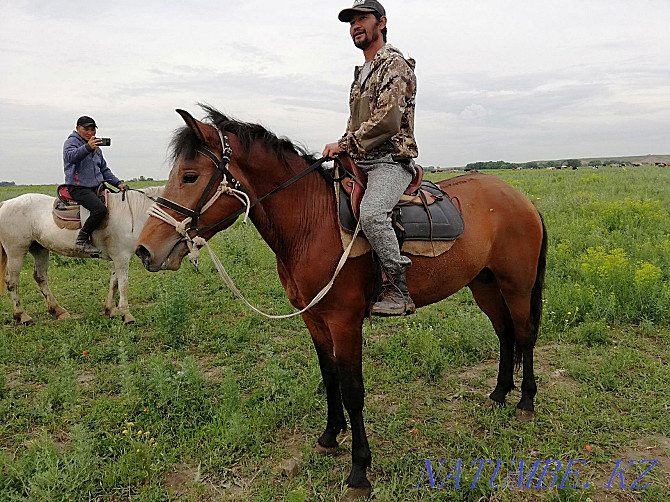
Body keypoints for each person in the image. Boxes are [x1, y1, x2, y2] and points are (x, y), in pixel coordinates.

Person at [323, 0, 418, 316]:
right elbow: (356, 123)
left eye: (363, 18)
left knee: (373, 213)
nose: (356, 25)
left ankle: (397, 288)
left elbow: (387, 121)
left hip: (390, 161)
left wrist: (343, 143)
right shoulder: (362, 74)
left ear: (382, 22)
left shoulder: (395, 65)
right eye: (352, 21)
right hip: (359, 160)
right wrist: (342, 145)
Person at [63, 116, 128, 256]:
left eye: (92, 129)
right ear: (77, 129)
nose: (90, 132)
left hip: (96, 187)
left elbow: (104, 169)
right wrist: (87, 147)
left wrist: (118, 183)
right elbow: (70, 157)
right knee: (100, 210)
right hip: (78, 188)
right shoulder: (71, 142)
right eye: (86, 129)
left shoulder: (96, 148)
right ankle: (82, 240)